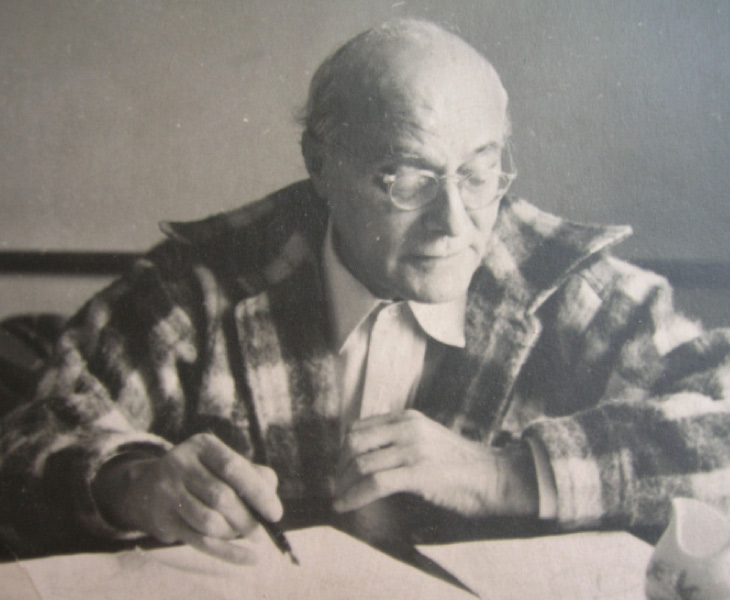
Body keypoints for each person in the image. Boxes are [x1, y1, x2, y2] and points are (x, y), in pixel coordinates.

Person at [1, 19, 729, 563]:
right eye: (408, 177)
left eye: (479, 173)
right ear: (320, 162)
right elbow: (37, 424)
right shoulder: (205, 280)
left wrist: (507, 474)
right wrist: (130, 481)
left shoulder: (566, 287)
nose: (456, 222)